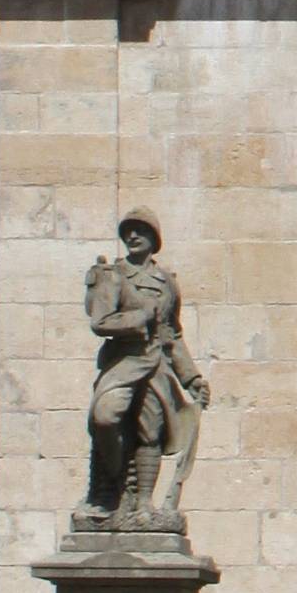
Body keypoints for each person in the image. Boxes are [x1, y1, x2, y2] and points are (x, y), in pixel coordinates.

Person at [83, 211, 207, 526]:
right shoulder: (112, 274)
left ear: (154, 238)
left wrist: (191, 378)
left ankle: (143, 503)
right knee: (105, 417)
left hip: (156, 365)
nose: (133, 236)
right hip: (122, 363)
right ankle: (115, 487)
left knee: (150, 433)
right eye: (129, 231)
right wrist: (140, 317)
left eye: (141, 230)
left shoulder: (167, 282)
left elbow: (172, 334)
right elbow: (100, 322)